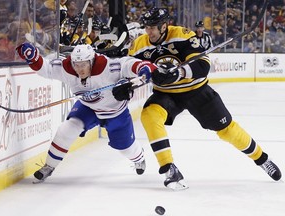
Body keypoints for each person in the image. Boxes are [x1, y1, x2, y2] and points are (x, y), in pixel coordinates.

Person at [112, 7, 282, 190]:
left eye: (153, 27)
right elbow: (129, 69)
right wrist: (126, 84)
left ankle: (262, 158)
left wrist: (179, 73)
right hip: (166, 95)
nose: (149, 31)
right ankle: (169, 168)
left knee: (227, 130)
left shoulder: (182, 35)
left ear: (164, 25)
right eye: (147, 27)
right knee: (149, 115)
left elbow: (203, 65)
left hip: (196, 90)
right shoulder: (140, 43)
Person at [16, 43, 158, 182]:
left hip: (115, 112)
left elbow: (131, 64)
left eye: (83, 64)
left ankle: (139, 158)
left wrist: (145, 70)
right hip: (88, 107)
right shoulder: (67, 68)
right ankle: (49, 166)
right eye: (76, 65)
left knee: (126, 148)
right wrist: (33, 58)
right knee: (67, 129)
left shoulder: (108, 67)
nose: (79, 69)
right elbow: (47, 68)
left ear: (91, 61)